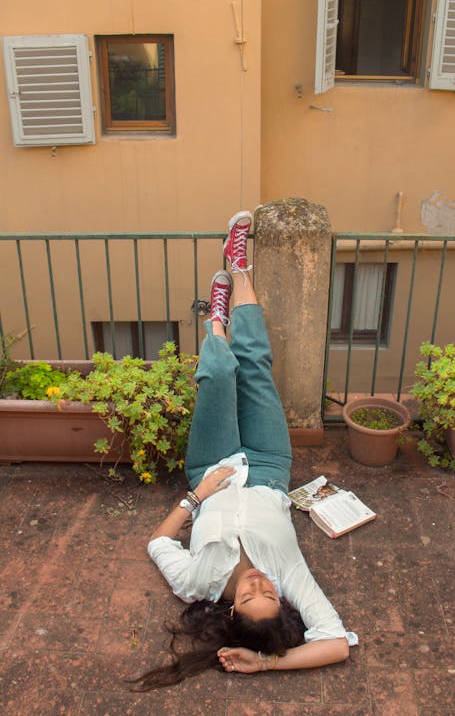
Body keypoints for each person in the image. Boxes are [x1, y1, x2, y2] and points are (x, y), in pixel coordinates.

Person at [132, 211, 357, 690]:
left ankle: (217, 319)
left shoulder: (198, 583)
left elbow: (157, 544)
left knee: (219, 374)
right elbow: (336, 643)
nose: (262, 584)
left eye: (253, 594)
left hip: (212, 469)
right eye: (270, 595)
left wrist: (197, 497)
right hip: (271, 467)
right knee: (255, 365)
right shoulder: (290, 575)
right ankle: (238, 268)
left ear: (231, 607)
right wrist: (268, 663)